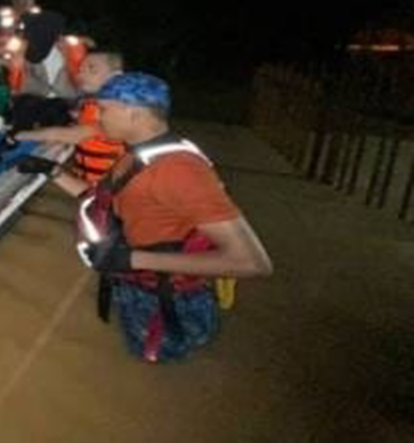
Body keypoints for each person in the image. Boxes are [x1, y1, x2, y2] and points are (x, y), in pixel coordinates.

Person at [45, 73, 272, 362]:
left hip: (170, 305)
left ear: (134, 114)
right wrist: (51, 173)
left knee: (161, 366)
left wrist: (132, 260)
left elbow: (252, 262)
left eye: (104, 110)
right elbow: (102, 203)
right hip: (137, 288)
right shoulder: (138, 155)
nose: (97, 118)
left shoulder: (180, 171)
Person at [15, 51, 127, 182]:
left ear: (115, 77)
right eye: (80, 70)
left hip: (110, 189)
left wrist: (20, 135)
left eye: (92, 69)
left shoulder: (115, 109)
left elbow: (72, 135)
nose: (81, 75)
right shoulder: (91, 104)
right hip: (91, 184)